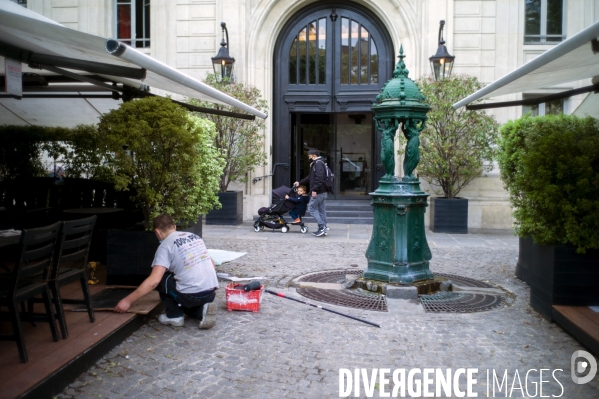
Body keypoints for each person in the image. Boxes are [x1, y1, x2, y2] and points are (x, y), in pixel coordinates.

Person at [114, 214, 218, 329]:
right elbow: (212, 265)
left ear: (157, 232)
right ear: (174, 226)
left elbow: (153, 281)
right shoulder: (194, 237)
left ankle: (174, 316)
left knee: (163, 277)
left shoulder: (165, 246)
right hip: (211, 293)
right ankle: (202, 311)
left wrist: (127, 301)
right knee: (185, 296)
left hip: (191, 296)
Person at [295, 148, 328, 237]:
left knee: (311, 208)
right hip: (322, 191)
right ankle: (323, 227)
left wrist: (314, 190)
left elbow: (319, 179)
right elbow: (311, 177)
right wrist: (300, 183)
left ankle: (322, 227)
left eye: (309, 156)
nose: (309, 158)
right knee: (321, 210)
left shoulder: (318, 164)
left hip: (319, 191)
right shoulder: (319, 163)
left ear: (314, 156)